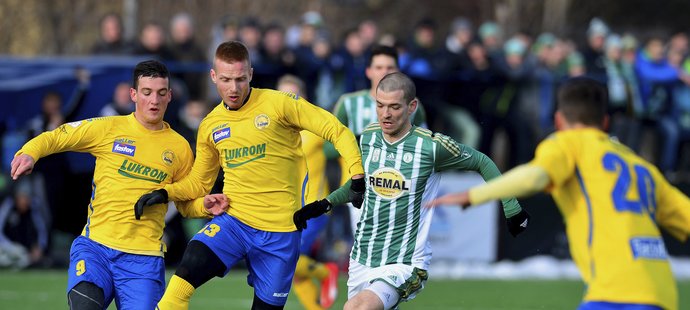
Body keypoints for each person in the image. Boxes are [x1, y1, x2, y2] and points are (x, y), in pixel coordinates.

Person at [427, 77, 690, 310]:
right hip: (662, 294)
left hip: (616, 292)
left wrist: (474, 194)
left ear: (558, 120)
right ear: (606, 122)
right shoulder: (640, 166)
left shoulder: (567, 142)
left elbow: (536, 176)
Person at [138, 41, 365, 310]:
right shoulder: (211, 124)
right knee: (181, 281)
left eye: (240, 79)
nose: (233, 88)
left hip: (280, 233)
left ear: (251, 75)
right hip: (234, 223)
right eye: (225, 79)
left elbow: (336, 130)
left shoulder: (279, 103)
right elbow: (200, 181)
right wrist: (166, 192)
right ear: (213, 77)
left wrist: (357, 175)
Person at [10, 60, 228, 310]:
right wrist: (29, 152)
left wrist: (204, 206)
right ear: (133, 94)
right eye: (146, 93)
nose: (153, 101)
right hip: (96, 249)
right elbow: (59, 135)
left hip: (143, 261)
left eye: (160, 93)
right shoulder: (109, 128)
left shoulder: (179, 148)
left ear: (169, 96)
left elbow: (184, 204)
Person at [314, 72, 528, 310]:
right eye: (380, 105)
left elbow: (482, 162)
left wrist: (512, 208)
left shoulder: (432, 146)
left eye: (394, 107)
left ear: (411, 106)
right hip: (363, 258)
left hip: (405, 262)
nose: (386, 114)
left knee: (357, 308)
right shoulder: (369, 137)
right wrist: (327, 203)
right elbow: (360, 186)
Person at [330, 44, 427, 234]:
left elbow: (425, 145)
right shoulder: (349, 103)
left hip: (402, 187)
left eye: (390, 68)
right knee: (365, 245)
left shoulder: (413, 105)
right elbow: (328, 147)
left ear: (398, 71)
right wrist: (358, 143)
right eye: (379, 67)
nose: (384, 72)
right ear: (368, 71)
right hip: (362, 187)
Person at [276, 74, 339, 310]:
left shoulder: (315, 128)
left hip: (314, 208)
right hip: (283, 210)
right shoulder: (271, 130)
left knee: (286, 260)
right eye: (282, 95)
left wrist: (347, 184)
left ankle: (325, 272)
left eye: (293, 95)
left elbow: (343, 147)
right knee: (289, 267)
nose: (288, 101)